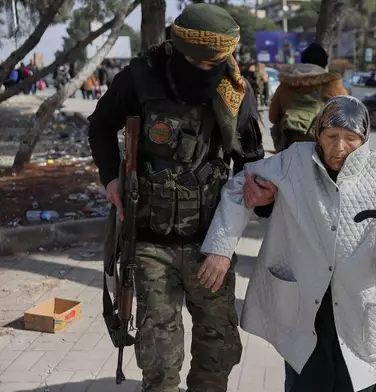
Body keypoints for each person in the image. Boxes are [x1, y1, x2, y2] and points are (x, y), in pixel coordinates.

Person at [200, 95, 376, 392]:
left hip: (370, 309)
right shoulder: (295, 161)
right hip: (311, 308)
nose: (339, 148)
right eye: (331, 136)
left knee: (371, 378)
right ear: (318, 134)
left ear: (364, 138)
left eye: (350, 138)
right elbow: (241, 185)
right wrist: (220, 249)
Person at [87, 4, 274, 391]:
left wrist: (255, 206)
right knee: (159, 356)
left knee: (217, 350)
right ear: (176, 47)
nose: (206, 71)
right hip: (149, 241)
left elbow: (252, 166)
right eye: (197, 63)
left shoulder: (235, 89)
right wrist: (111, 179)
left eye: (215, 64)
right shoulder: (141, 77)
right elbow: (101, 125)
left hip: (210, 245)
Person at [269, 42, 348, 151]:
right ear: (324, 64)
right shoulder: (331, 84)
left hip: (290, 146)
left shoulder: (286, 84)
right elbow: (347, 114)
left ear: (303, 61)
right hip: (320, 147)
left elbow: (273, 116)